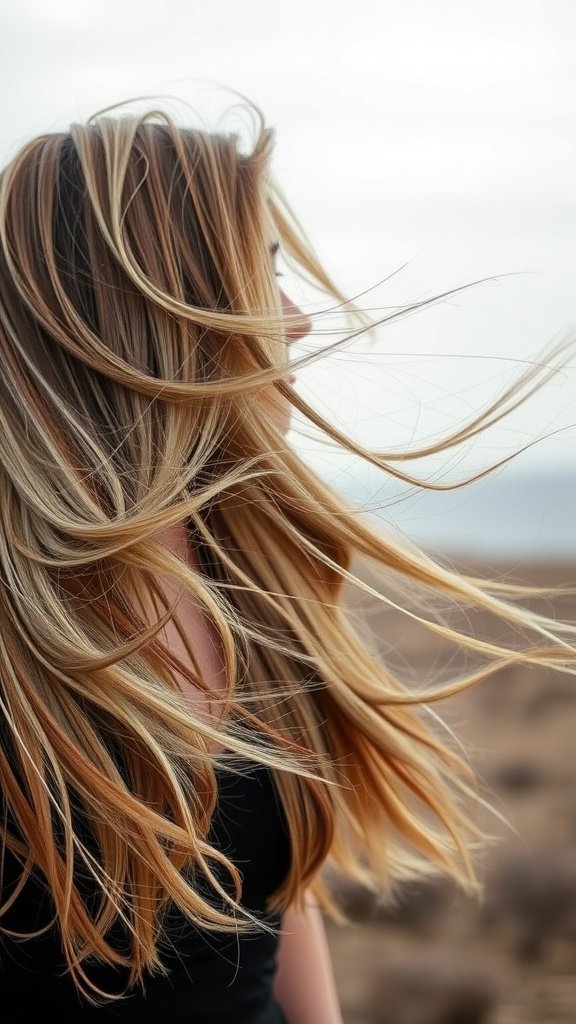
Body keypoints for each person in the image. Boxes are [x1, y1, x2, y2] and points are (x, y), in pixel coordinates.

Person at [0, 96, 574, 1024]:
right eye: (259, 273)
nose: (299, 320)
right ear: (153, 310)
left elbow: (272, 901)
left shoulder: (252, 579)